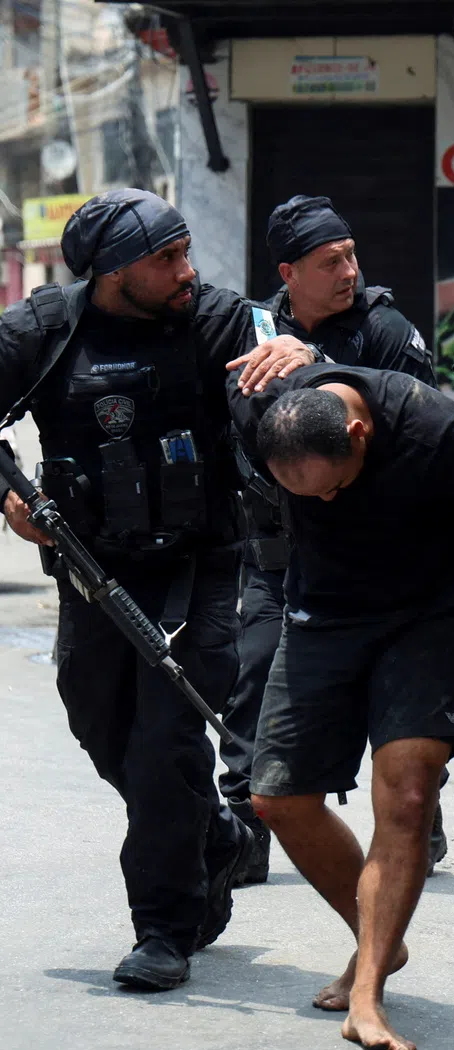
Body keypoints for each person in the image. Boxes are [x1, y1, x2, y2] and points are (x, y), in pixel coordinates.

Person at [0, 189, 318, 990]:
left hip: (200, 569)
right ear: (112, 272)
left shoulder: (215, 318)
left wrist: (302, 363)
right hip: (90, 569)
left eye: (186, 252)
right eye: (166, 259)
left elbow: (283, 368)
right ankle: (214, 833)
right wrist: (7, 498)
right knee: (98, 721)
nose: (189, 269)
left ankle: (164, 929)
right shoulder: (46, 326)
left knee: (162, 746)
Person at [229, 363, 454, 1050]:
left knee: (407, 796)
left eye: (334, 485)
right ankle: (380, 945)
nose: (326, 502)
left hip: (425, 615)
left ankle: (366, 994)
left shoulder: (440, 432)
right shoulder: (268, 412)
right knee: (277, 797)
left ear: (360, 434)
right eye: (308, 494)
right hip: (321, 612)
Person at [217, 194, 454, 885]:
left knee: (394, 705)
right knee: (255, 683)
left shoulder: (385, 330)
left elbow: (418, 429)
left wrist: (314, 365)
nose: (349, 272)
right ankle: (244, 835)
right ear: (288, 271)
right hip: (278, 553)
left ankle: (420, 818)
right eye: (331, 262)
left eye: (352, 255)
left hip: (376, 560)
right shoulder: (250, 331)